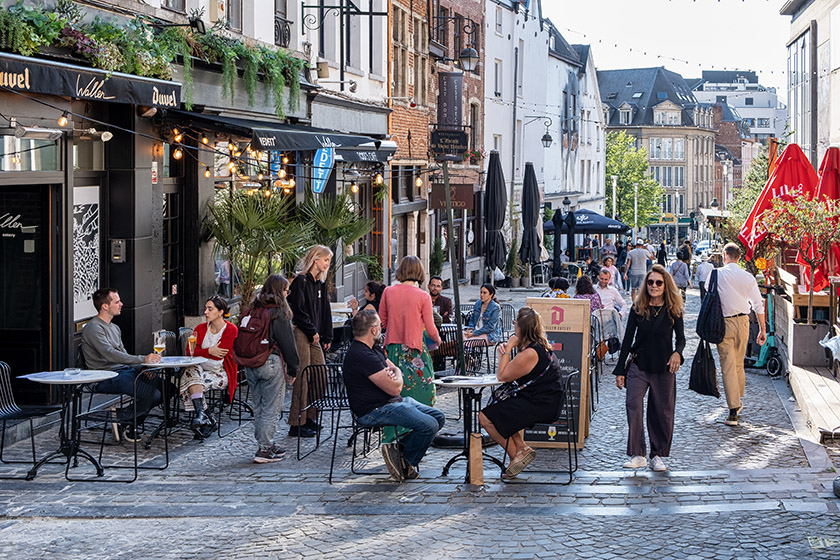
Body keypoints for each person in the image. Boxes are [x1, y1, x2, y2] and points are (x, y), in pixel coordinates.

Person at [343, 310, 445, 482]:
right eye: (380, 326)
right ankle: (405, 460)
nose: (382, 329)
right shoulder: (361, 355)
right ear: (373, 330)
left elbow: (394, 368)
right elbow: (396, 388)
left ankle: (399, 453)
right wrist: (396, 373)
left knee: (438, 417)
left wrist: (396, 371)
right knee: (429, 425)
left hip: (392, 403)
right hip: (375, 410)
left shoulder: (373, 349)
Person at [613, 264, 686, 472]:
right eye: (651, 282)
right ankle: (638, 453)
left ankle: (657, 455)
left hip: (664, 368)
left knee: (662, 411)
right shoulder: (638, 308)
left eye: (658, 283)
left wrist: (677, 353)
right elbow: (627, 340)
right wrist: (620, 370)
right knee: (633, 403)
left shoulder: (673, 309)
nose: (654, 286)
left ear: (665, 286)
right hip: (639, 365)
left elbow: (681, 339)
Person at [479, 307, 565, 479]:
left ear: (521, 329)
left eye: (515, 323)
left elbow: (503, 376)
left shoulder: (531, 353)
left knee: (484, 417)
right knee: (501, 407)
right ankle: (522, 448)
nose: (514, 327)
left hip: (542, 405)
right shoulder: (539, 347)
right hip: (542, 400)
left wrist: (509, 347)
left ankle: (516, 455)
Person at [81, 288, 163, 442]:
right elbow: (109, 354)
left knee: (166, 388)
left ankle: (125, 420)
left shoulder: (114, 328)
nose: (121, 304)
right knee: (153, 394)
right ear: (105, 306)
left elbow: (123, 355)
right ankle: (123, 420)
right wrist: (143, 359)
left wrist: (143, 368)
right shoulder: (94, 328)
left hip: (123, 371)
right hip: (105, 376)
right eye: (117, 301)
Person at [379, 256, 441, 446]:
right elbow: (430, 327)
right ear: (420, 272)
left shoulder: (388, 292)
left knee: (394, 394)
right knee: (425, 392)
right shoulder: (423, 296)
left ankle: (394, 434)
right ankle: (418, 431)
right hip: (415, 351)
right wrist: (437, 340)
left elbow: (383, 321)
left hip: (392, 350)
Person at [243, 275, 300, 462]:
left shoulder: (252, 308)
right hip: (270, 362)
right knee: (271, 407)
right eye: (286, 290)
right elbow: (288, 344)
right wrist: (293, 369)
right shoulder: (278, 311)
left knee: (259, 406)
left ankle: (265, 443)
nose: (287, 294)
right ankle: (265, 449)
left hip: (250, 363)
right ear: (279, 290)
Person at [716, 243, 766, 426]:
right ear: (739, 257)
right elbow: (758, 304)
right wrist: (762, 329)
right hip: (743, 321)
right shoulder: (748, 277)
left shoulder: (716, 274)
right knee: (738, 364)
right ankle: (737, 401)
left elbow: (708, 296)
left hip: (724, 323)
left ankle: (732, 411)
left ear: (725, 255)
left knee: (728, 367)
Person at [287, 245, 334, 438]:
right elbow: (298, 311)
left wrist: (327, 335)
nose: (327, 264)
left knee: (320, 374)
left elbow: (325, 311)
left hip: (314, 335)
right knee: (303, 377)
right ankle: (297, 422)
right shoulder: (300, 281)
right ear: (316, 259)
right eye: (326, 260)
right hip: (302, 333)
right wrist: (311, 331)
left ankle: (310, 416)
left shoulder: (320, 283)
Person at [179, 296, 238, 439]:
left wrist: (203, 352)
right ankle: (203, 416)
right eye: (205, 308)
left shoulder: (231, 330)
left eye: (210, 309)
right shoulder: (200, 328)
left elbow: (219, 355)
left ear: (220, 312)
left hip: (221, 372)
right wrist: (210, 351)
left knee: (190, 383)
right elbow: (189, 352)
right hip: (199, 369)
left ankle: (205, 418)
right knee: (190, 373)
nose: (206, 312)